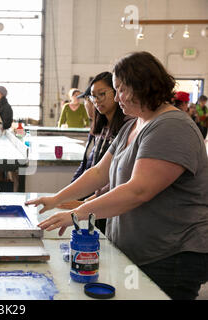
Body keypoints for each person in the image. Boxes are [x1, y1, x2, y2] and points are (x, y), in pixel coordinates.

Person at [26, 51, 208, 300]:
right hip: (141, 252)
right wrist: (56, 199)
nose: (117, 97)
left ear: (142, 85)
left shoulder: (171, 126)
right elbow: (99, 172)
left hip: (170, 256)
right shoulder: (133, 125)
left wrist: (76, 214)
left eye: (121, 89)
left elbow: (138, 191)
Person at [60, 72, 132, 234]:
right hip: (93, 202)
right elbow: (90, 167)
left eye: (102, 94)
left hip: (108, 203)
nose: (95, 101)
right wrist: (71, 196)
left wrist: (85, 202)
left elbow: (114, 175)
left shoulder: (127, 127)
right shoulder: (101, 127)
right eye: (92, 97)